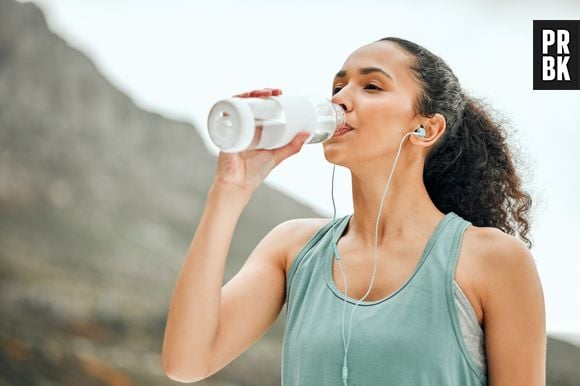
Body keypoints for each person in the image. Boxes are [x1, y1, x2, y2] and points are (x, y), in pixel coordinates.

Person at [161, 37, 546, 385]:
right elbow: (186, 361)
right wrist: (230, 190)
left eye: (372, 86)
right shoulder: (293, 249)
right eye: (337, 86)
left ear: (426, 129)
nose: (340, 99)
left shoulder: (493, 260)